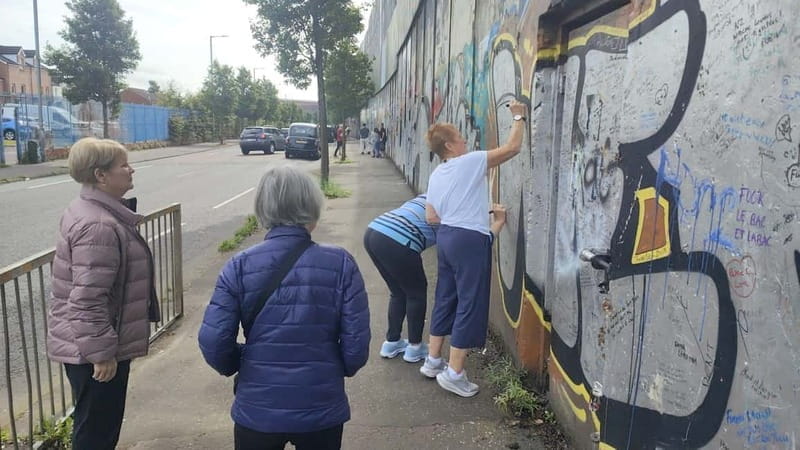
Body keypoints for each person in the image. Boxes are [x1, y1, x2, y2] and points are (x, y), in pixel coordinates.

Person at [198, 166, 370, 450]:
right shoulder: (341, 264)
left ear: (263, 208)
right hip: (321, 407)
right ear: (312, 207)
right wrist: (336, 368)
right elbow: (356, 345)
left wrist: (241, 362)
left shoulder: (238, 266)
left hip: (257, 409)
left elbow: (213, 341)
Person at [47, 137, 160, 449]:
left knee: (94, 425)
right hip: (93, 350)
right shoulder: (98, 225)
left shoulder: (89, 210)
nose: (131, 170)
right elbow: (87, 298)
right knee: (96, 433)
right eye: (123, 165)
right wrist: (102, 354)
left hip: (89, 343)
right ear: (100, 175)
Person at [420, 99, 527, 397]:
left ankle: (433, 360)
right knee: (470, 302)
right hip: (467, 241)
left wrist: (470, 214)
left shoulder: (438, 173)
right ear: (451, 146)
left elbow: (431, 216)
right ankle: (454, 373)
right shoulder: (468, 161)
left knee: (446, 297)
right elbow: (512, 149)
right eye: (460, 137)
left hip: (447, 237)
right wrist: (519, 116)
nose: (465, 140)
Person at [364, 196, 507, 364]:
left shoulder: (435, 193)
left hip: (374, 231)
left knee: (398, 292)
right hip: (398, 239)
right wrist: (498, 223)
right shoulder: (455, 215)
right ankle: (415, 348)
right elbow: (475, 244)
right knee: (415, 293)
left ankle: (392, 342)